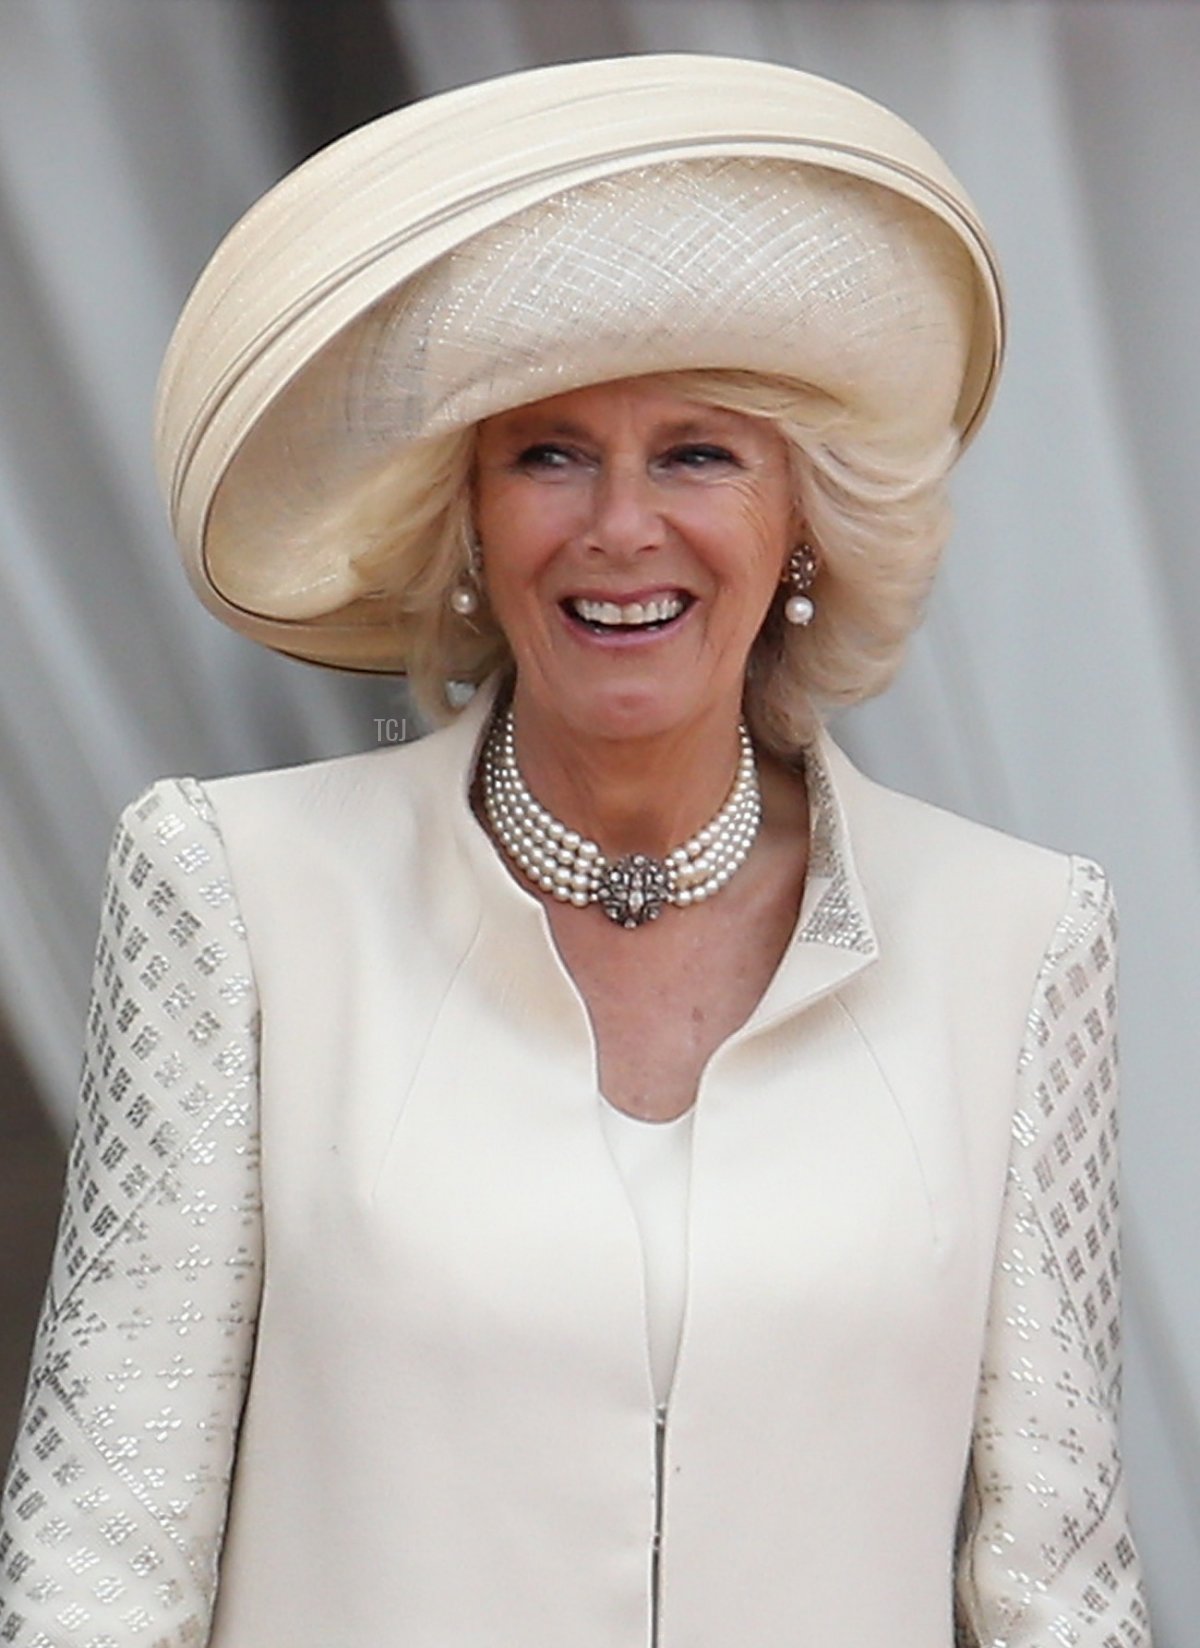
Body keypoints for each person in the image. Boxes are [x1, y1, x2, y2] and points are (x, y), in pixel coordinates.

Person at [0, 53, 1150, 1648]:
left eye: (698, 452)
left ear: (803, 518)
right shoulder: (238, 895)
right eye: (548, 452)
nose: (620, 528)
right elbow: (101, 1560)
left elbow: (1059, 1593)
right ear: (465, 516)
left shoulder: (1017, 940)